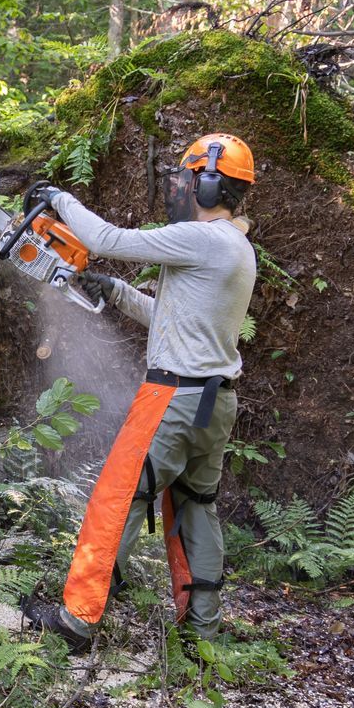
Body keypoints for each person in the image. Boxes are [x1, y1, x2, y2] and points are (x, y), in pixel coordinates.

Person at [21, 133, 258, 650]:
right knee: (196, 506)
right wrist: (117, 292)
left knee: (118, 497)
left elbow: (106, 239)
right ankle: (202, 631)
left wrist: (57, 199)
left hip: (172, 399)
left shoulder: (204, 238)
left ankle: (77, 620)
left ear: (211, 183)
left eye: (189, 178)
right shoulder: (235, 248)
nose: (180, 187)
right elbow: (175, 319)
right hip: (214, 402)